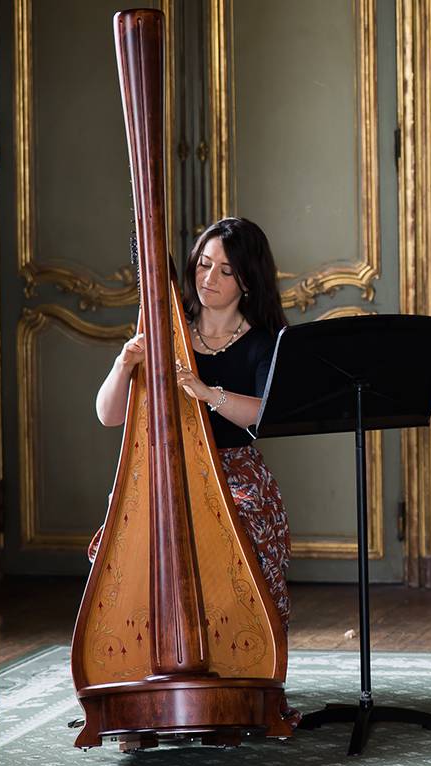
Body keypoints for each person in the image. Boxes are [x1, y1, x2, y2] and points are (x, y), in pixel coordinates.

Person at [94, 217, 294, 629]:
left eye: (225, 271)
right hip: (169, 465)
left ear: (247, 281)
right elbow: (109, 415)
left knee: (235, 523)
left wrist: (209, 394)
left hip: (234, 470)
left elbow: (264, 413)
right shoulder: (167, 328)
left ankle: (236, 638)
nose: (209, 279)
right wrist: (123, 364)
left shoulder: (263, 342)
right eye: (203, 265)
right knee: (131, 528)